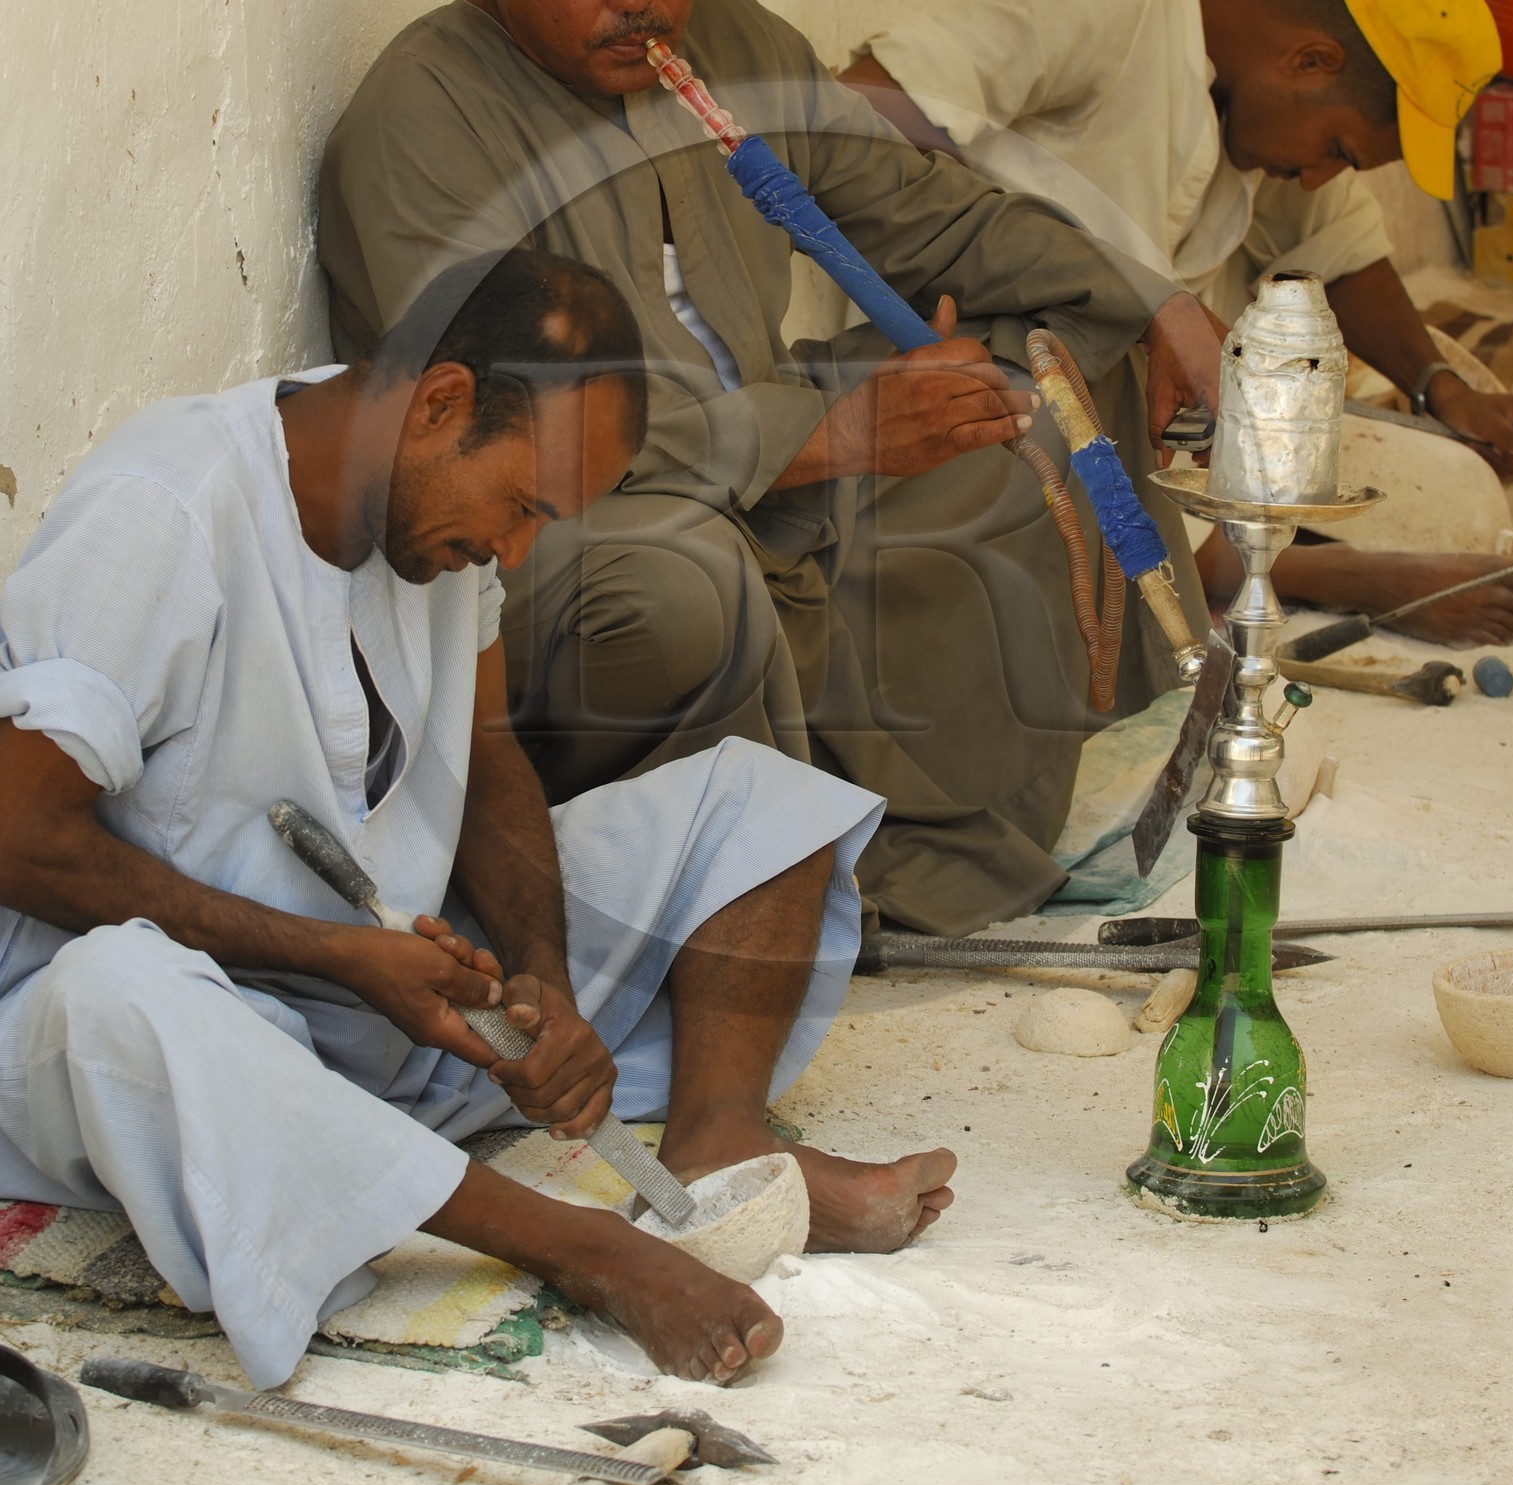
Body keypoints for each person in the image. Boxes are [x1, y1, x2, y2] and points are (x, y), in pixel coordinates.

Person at [0, 243, 957, 1393]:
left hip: (391, 1002)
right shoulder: (164, 509)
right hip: (178, 1031)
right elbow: (17, 832)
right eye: (519, 506)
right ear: (440, 403)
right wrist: (340, 960)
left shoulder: (427, 510)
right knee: (128, 1000)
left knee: (760, 800)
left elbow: (490, 758)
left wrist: (539, 982)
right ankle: (581, 1245)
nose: (513, 551)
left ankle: (717, 1140)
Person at [318, 0, 1225, 938]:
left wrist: (1147, 296)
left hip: (767, 442)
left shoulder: (730, 41)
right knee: (681, 579)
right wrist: (827, 435)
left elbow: (916, 210)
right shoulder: (420, 116)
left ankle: (946, 845)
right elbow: (508, 426)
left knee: (1039, 373)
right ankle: (769, 902)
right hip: (559, 527)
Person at [841, 0, 1513, 651]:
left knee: (1448, 490)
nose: (1316, 179)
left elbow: (1340, 252)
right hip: (993, 390)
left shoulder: (1262, 70)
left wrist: (1443, 388)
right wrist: (1092, 280)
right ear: (1310, 60)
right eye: (1335, 151)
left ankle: (1268, 561)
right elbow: (866, 102)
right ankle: (1316, 574)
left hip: (1136, 425)